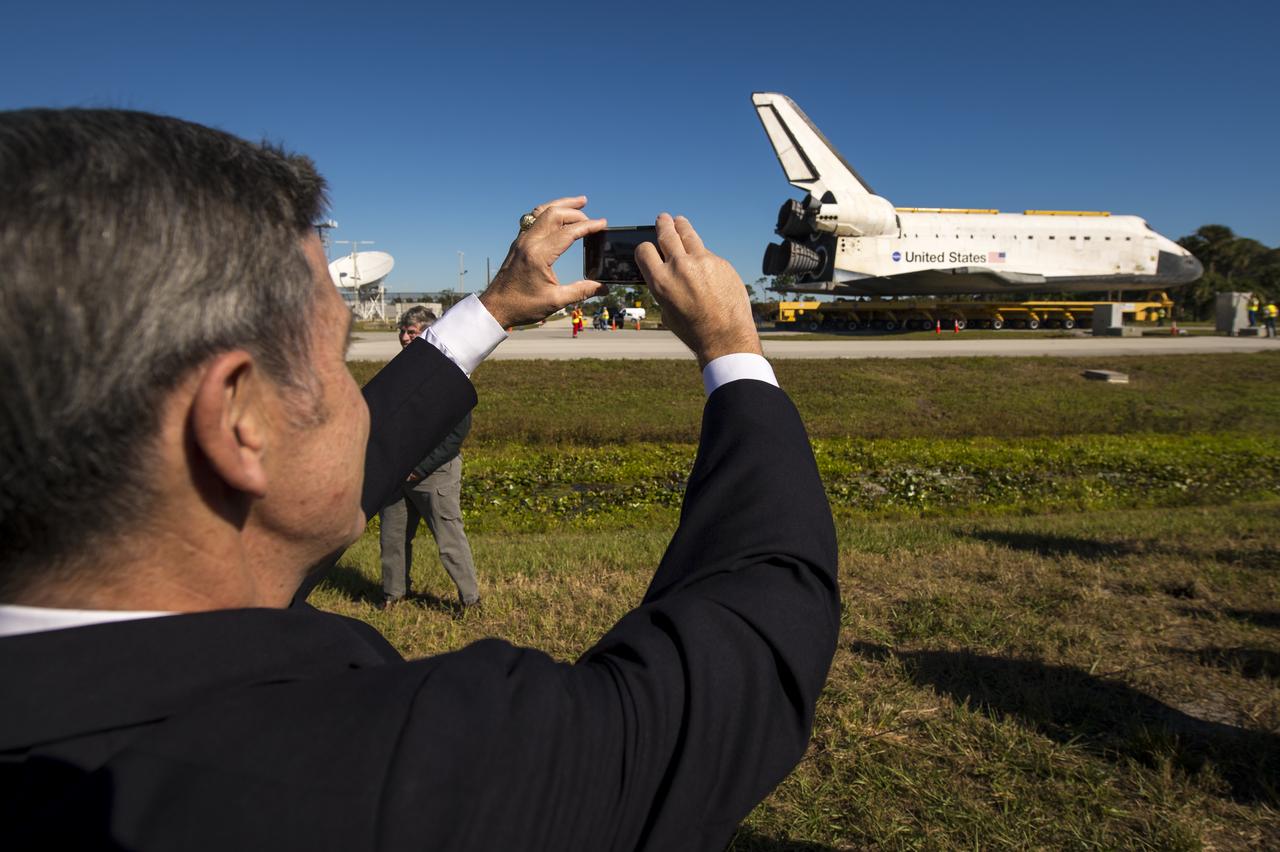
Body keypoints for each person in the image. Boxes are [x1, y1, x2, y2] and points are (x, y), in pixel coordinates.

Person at [0, 109, 837, 850]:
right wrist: (733, 349)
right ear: (239, 421)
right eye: (338, 358)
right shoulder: (388, 775)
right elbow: (750, 643)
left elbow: (290, 483)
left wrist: (492, 310)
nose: (357, 403)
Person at [378, 307, 479, 610]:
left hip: (435, 474)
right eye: (403, 331)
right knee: (392, 539)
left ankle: (470, 600)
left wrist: (420, 469)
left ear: (428, 334)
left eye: (412, 332)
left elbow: (457, 431)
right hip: (396, 474)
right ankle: (393, 595)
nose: (404, 337)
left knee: (449, 539)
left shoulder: (448, 371)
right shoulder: (397, 370)